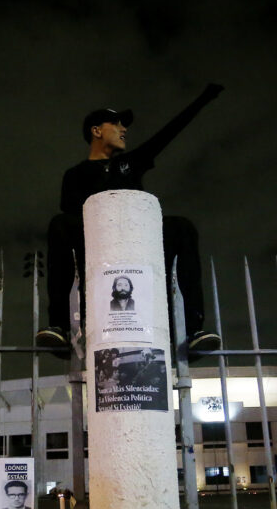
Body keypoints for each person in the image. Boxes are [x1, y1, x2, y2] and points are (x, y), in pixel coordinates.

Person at [36, 84, 225, 355]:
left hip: (138, 237)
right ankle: (60, 327)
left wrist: (204, 99)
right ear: (97, 131)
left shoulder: (132, 162)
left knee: (182, 227)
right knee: (59, 224)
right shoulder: (75, 174)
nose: (124, 130)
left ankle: (191, 330)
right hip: (96, 239)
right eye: (116, 124)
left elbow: (168, 133)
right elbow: (70, 209)